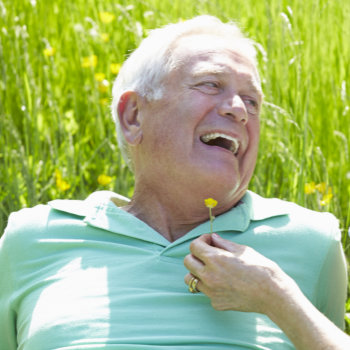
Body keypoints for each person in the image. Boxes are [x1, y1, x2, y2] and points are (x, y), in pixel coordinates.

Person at [0, 15, 348, 350]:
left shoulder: (312, 241)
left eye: (253, 101)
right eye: (211, 84)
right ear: (134, 116)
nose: (239, 109)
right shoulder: (32, 238)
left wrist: (276, 296)